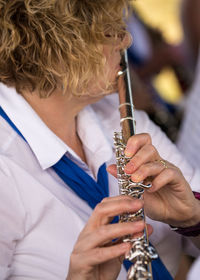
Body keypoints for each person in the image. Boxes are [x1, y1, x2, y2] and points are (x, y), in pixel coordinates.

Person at [0, 1, 200, 280]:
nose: (126, 39)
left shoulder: (122, 117)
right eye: (109, 31)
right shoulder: (6, 168)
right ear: (58, 50)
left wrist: (193, 220)